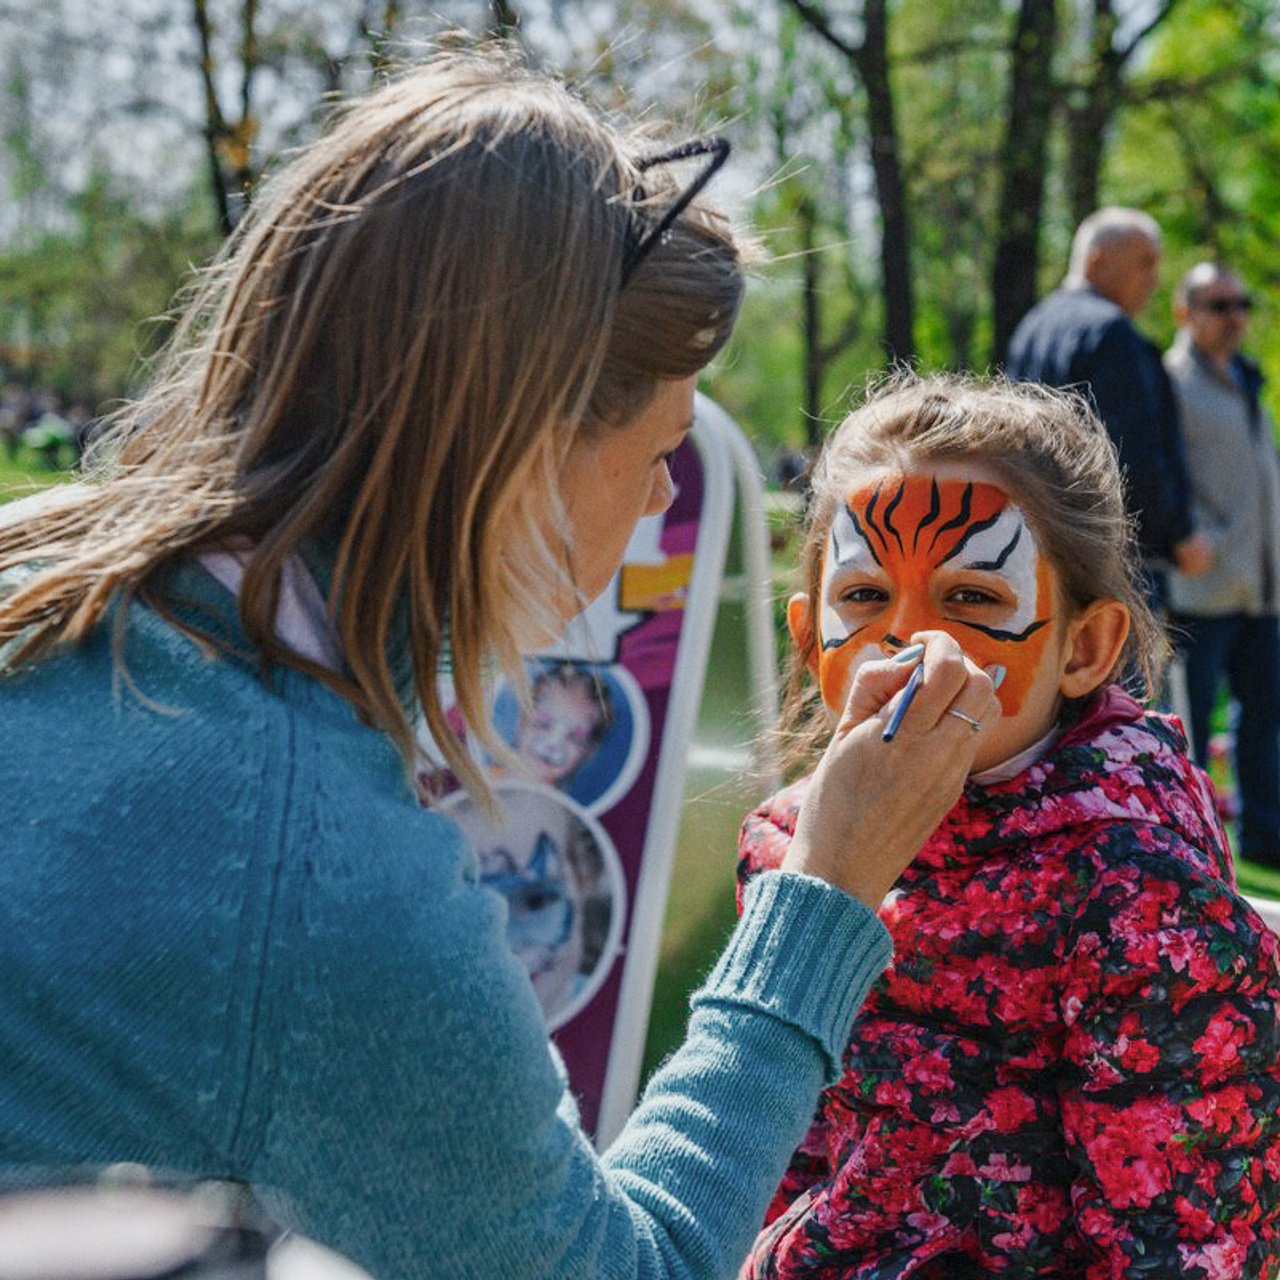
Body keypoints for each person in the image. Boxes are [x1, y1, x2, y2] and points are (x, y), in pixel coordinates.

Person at [0, 48, 999, 1280]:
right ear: (524, 448)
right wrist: (828, 887)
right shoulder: (327, 883)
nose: (654, 502)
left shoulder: (41, 590)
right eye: (658, 450)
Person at [736, 374, 1280, 1279]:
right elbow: (776, 1136)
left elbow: (1184, 1236)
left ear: (1084, 649)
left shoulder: (1129, 890)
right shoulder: (788, 843)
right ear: (808, 641)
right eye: (865, 598)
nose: (912, 644)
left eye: (973, 599)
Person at [1006, 207, 1211, 606]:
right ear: (1097, 260)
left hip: (1040, 551)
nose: (1154, 280)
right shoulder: (1110, 333)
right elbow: (1130, 454)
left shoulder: (1032, 326)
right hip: (1114, 564)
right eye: (1145, 263)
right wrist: (1178, 534)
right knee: (1123, 668)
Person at [1166, 262, 1280, 870]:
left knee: (1263, 724)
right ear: (1185, 312)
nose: (1234, 316)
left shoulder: (1246, 376)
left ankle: (1264, 839)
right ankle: (1190, 847)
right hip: (1202, 588)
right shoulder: (1171, 382)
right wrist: (1193, 533)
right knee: (1185, 724)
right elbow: (1159, 474)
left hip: (1262, 589)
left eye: (1242, 303)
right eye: (1218, 304)